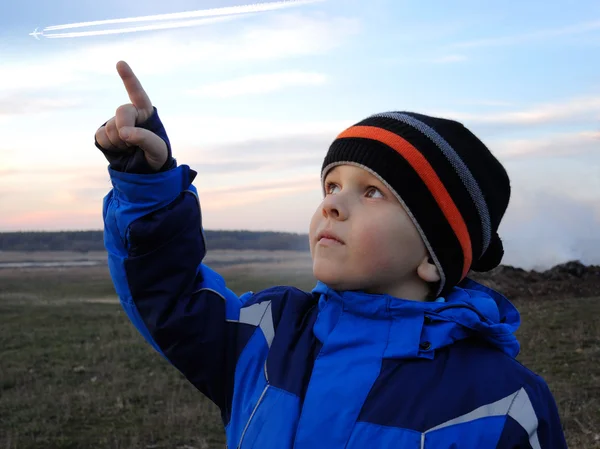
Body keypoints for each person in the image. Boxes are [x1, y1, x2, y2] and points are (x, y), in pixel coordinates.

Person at [95, 60, 568, 449]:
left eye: (373, 193)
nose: (332, 205)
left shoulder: (502, 403)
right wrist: (147, 185)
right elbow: (170, 297)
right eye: (332, 185)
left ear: (431, 257)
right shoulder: (267, 335)